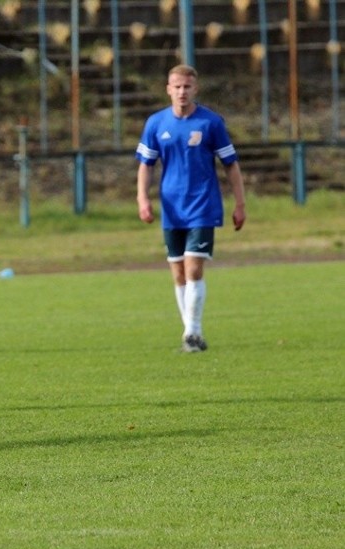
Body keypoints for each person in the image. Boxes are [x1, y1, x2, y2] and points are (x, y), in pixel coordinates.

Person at [136, 64, 247, 353]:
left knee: (193, 268)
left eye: (187, 87)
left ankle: (192, 332)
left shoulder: (210, 123)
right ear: (168, 89)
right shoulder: (156, 123)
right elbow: (145, 166)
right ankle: (191, 335)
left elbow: (231, 165)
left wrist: (240, 203)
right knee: (177, 273)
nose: (182, 92)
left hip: (203, 205)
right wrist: (143, 199)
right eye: (177, 86)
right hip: (171, 208)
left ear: (195, 89)